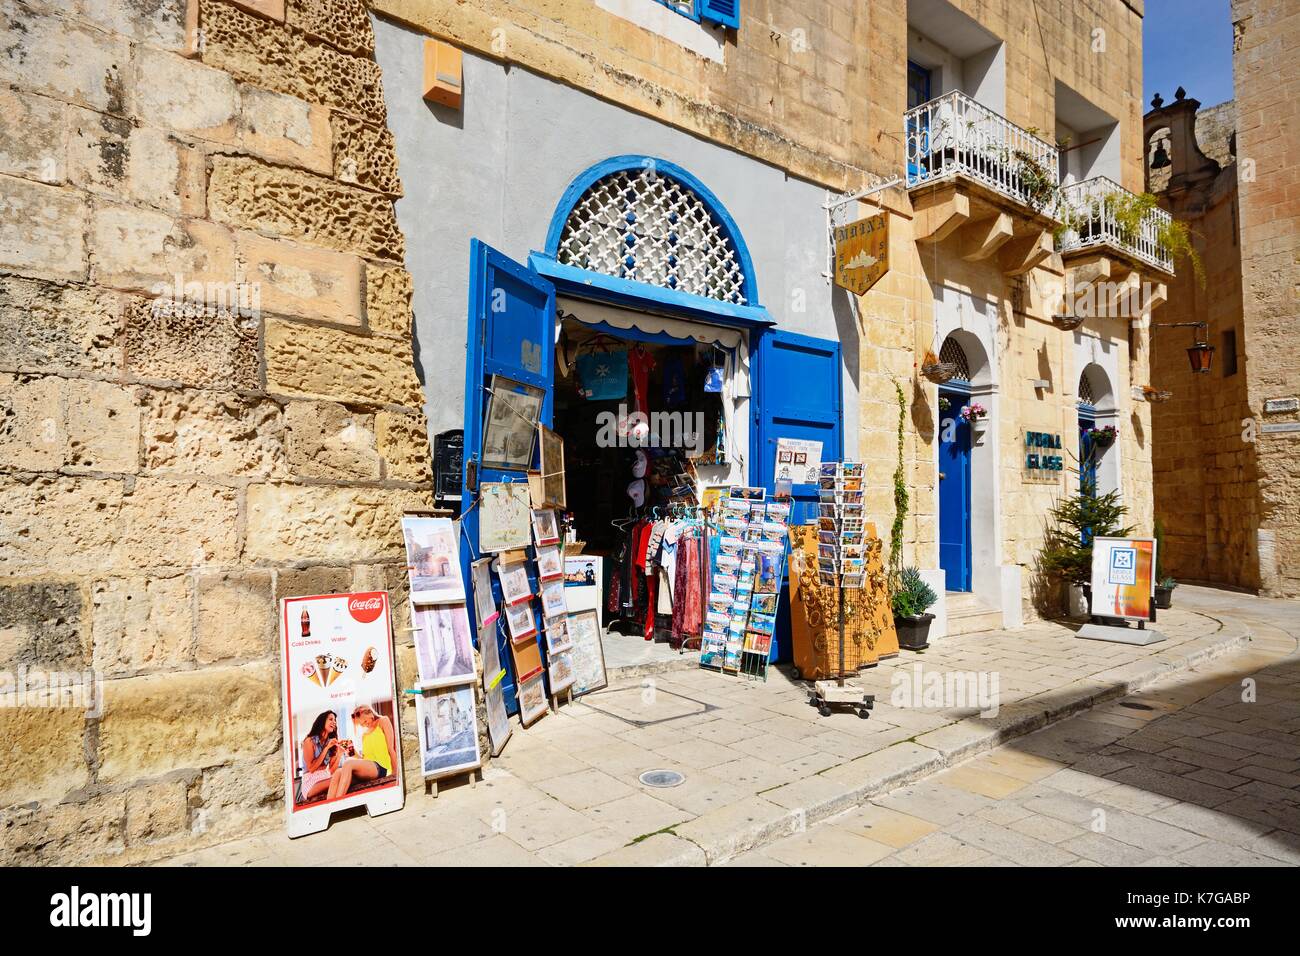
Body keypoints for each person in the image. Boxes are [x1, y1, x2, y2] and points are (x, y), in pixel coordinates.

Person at [327, 705, 398, 799]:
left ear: (370, 713)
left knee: (348, 763)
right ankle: (329, 806)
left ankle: (338, 803)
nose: (365, 725)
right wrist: (351, 750)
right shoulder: (365, 734)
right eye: (361, 724)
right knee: (337, 773)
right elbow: (364, 760)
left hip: (382, 767)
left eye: (365, 721)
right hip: (370, 768)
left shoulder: (383, 721)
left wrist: (395, 772)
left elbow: (391, 748)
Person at [300, 711, 342, 803]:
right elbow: (312, 768)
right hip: (311, 781)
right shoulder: (309, 741)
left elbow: (332, 770)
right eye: (331, 719)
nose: (334, 722)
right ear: (322, 721)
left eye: (335, 720)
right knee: (341, 777)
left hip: (325, 776)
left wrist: (340, 753)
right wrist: (326, 748)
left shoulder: (330, 742)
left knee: (343, 774)